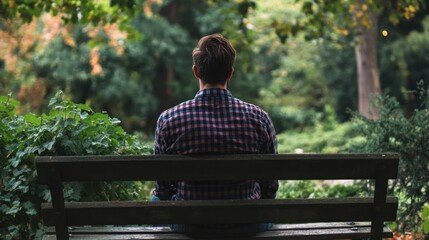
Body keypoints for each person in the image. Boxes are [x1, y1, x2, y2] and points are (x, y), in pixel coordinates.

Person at [153, 33, 278, 238]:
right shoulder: (259, 118)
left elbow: (163, 189)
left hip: (191, 224)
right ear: (230, 73)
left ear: (196, 72)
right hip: (248, 223)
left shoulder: (169, 119)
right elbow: (270, 185)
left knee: (155, 201)